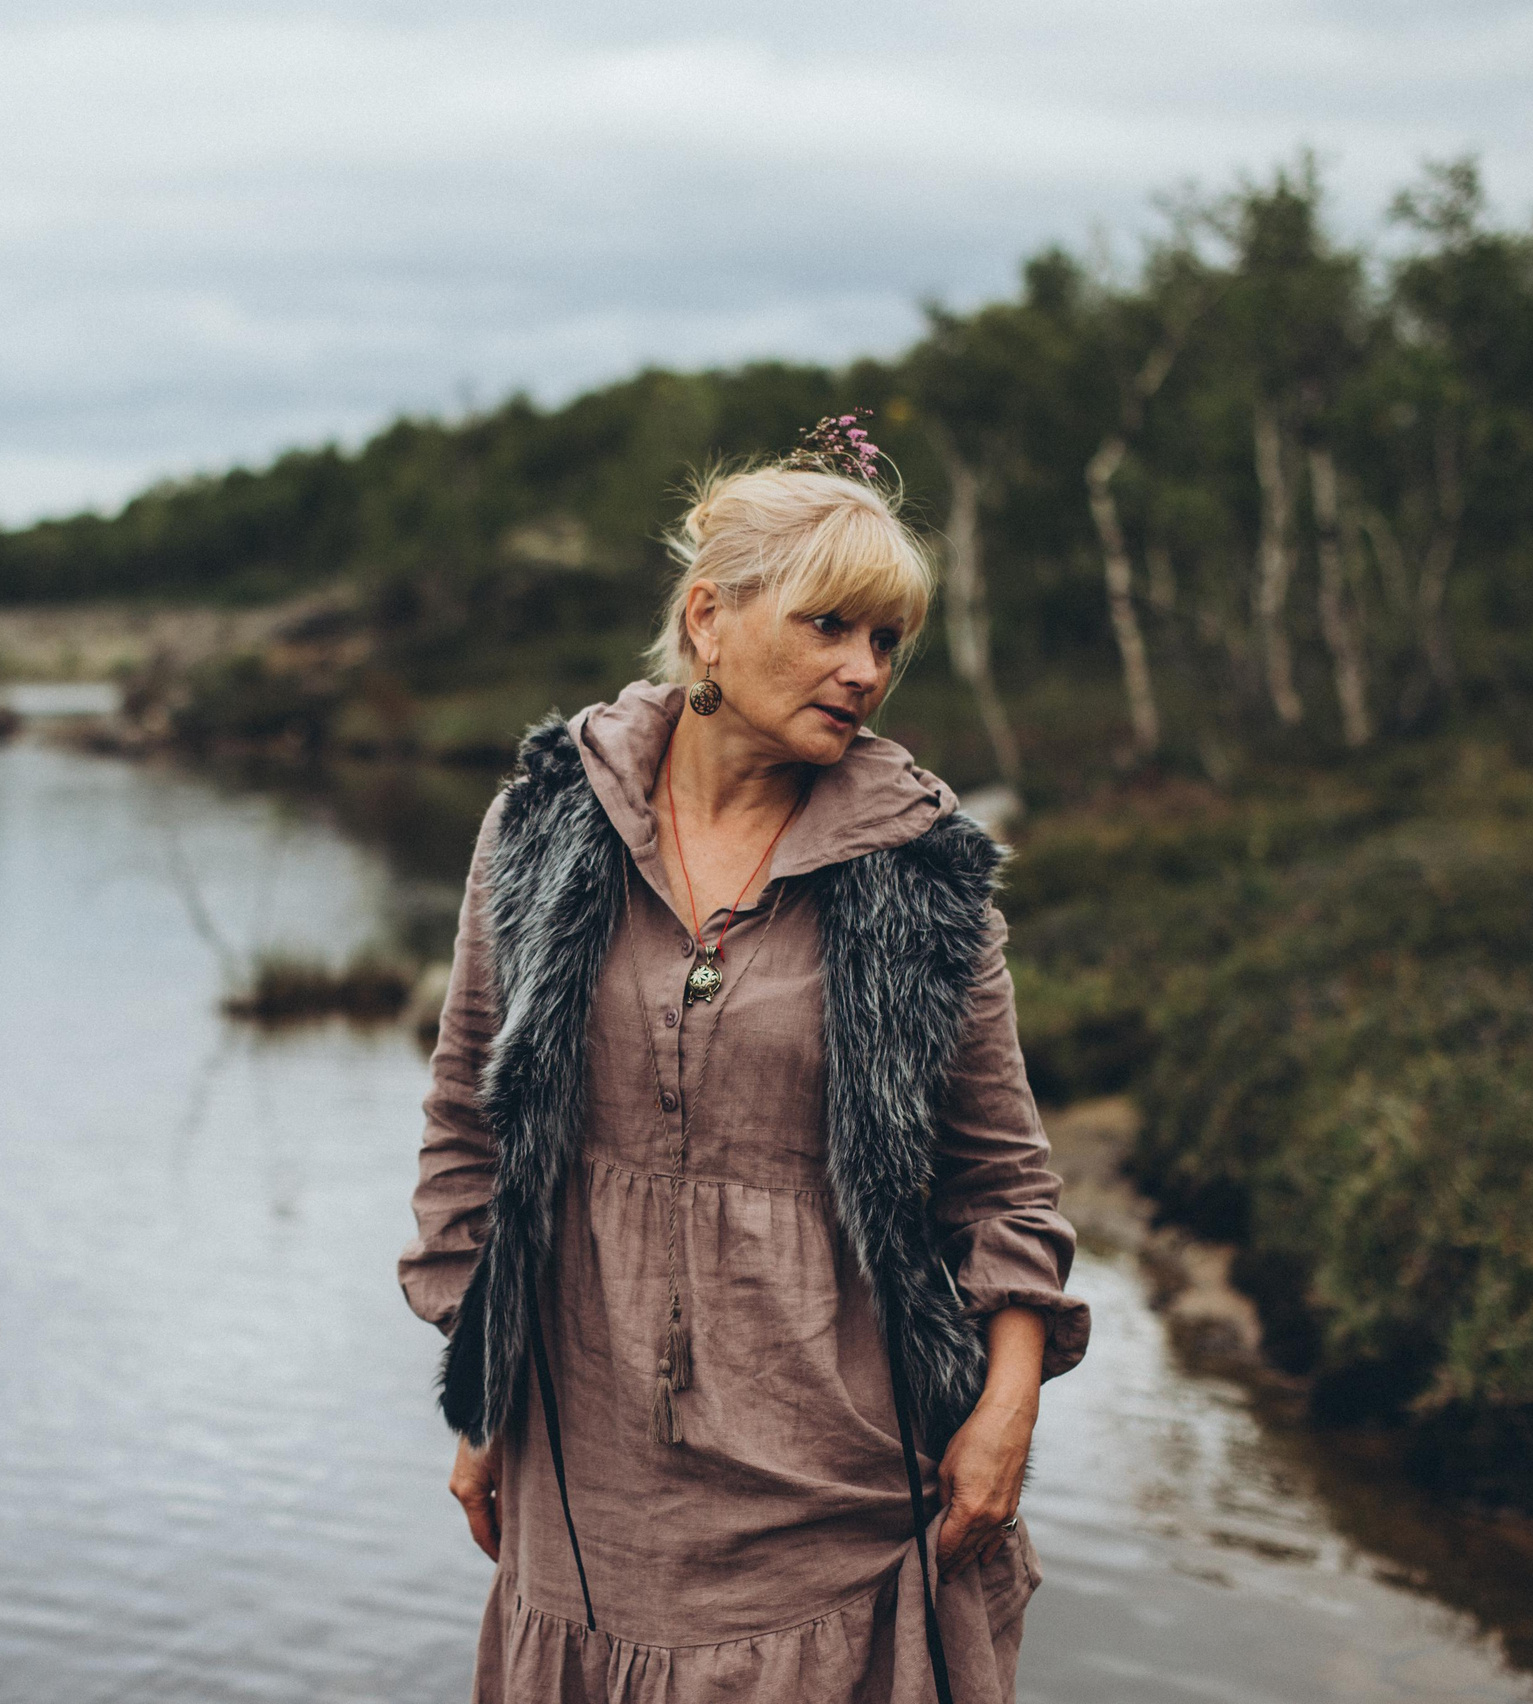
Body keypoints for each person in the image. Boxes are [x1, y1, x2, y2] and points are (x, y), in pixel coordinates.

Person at [398, 447, 1090, 1704]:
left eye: (887, 639)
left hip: (842, 1482)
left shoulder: (920, 875)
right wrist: (478, 1388)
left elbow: (1001, 1181)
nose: (864, 671)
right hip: (584, 1473)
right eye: (828, 624)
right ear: (707, 619)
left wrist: (1005, 1418)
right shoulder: (545, 825)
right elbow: (468, 1133)